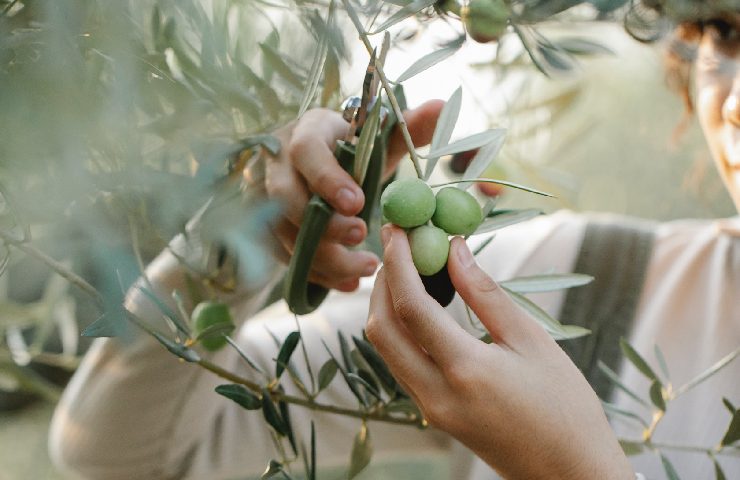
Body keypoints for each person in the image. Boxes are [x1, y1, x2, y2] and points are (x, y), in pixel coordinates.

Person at [48, 8, 740, 480]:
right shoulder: (567, 282)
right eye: (726, 32)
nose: (734, 98)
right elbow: (116, 456)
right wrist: (243, 238)